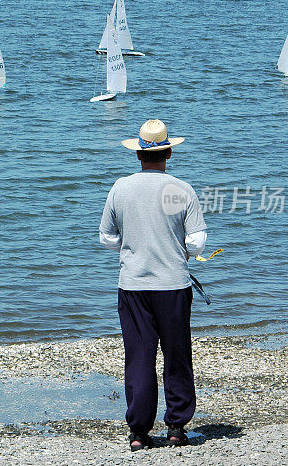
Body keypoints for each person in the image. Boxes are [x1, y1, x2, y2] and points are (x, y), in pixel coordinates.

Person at [99, 119, 206, 452]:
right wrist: (176, 251)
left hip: (133, 285)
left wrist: (132, 247)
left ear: (138, 155)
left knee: (140, 357)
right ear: (170, 152)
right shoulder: (179, 190)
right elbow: (197, 241)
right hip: (173, 283)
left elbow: (106, 237)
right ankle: (176, 426)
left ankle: (138, 432)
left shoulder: (121, 188)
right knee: (177, 355)